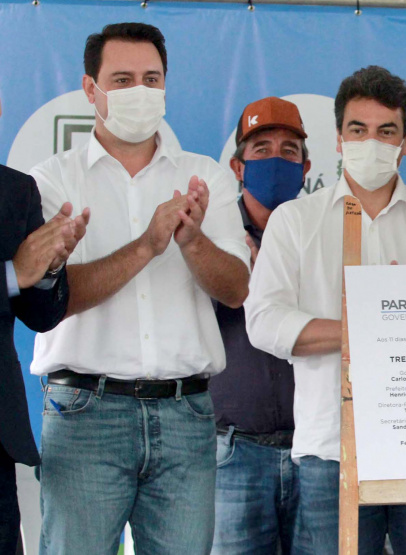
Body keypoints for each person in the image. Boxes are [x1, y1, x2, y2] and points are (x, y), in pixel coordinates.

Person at [29, 22, 250, 554]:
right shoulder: (50, 180)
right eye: (122, 80)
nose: (140, 93)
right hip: (84, 414)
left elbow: (237, 289)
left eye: (151, 79)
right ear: (91, 90)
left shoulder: (205, 177)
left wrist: (192, 241)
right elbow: (52, 301)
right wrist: (148, 246)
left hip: (186, 416)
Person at [245, 65, 406, 554]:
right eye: (358, 130)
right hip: (334, 447)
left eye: (386, 131)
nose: (372, 142)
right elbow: (263, 321)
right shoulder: (295, 220)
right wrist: (371, 328)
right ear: (339, 139)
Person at [209, 96, 311, 554]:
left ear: (306, 169)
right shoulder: (211, 234)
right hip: (233, 453)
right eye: (262, 148)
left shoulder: (325, 231)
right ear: (237, 166)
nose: (276, 159)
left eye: (289, 151)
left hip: (316, 451)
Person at [0, 97, 88, 554]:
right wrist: (13, 273)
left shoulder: (16, 191)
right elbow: (14, 276)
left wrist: (52, 266)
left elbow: (40, 315)